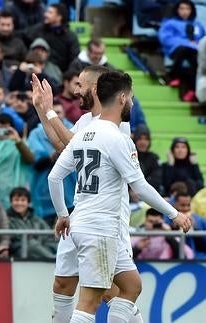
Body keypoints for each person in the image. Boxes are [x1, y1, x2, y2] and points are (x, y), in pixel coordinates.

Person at [48, 70, 192, 322]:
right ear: (123, 98)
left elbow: (54, 177)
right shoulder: (118, 138)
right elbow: (140, 186)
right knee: (90, 301)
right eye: (133, 97)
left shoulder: (84, 133)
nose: (133, 103)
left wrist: (63, 214)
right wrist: (174, 213)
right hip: (100, 228)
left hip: (80, 222)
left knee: (131, 285)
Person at [31, 66, 143, 323]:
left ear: (95, 88)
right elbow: (63, 146)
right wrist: (40, 108)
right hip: (79, 215)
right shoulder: (84, 121)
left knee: (109, 292)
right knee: (62, 284)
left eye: (80, 85)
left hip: (108, 220)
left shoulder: (118, 125)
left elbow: (74, 142)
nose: (75, 90)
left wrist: (50, 109)